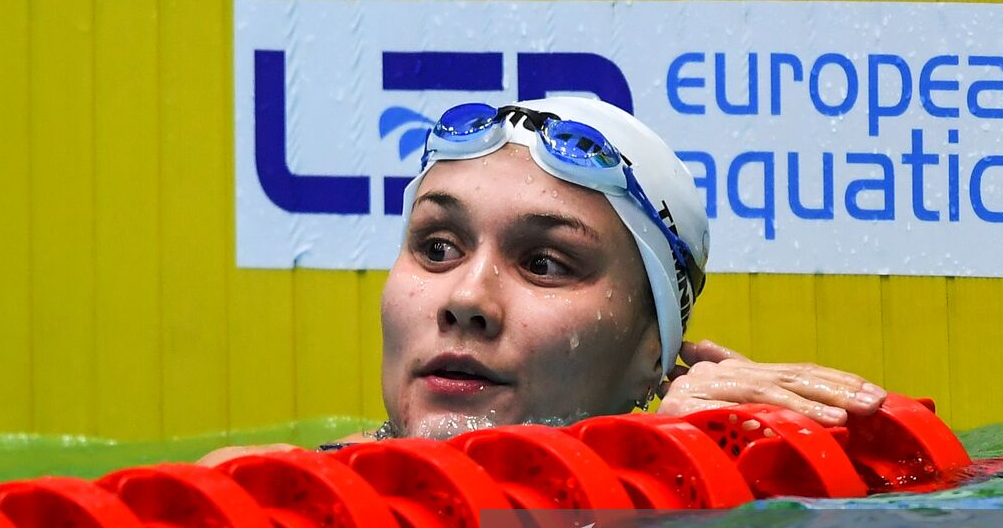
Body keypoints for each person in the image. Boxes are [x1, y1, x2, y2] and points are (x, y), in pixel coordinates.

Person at [201, 97, 884, 465]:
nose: (466, 299)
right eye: (437, 248)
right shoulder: (255, 491)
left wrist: (686, 466)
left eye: (544, 264)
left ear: (653, 353)